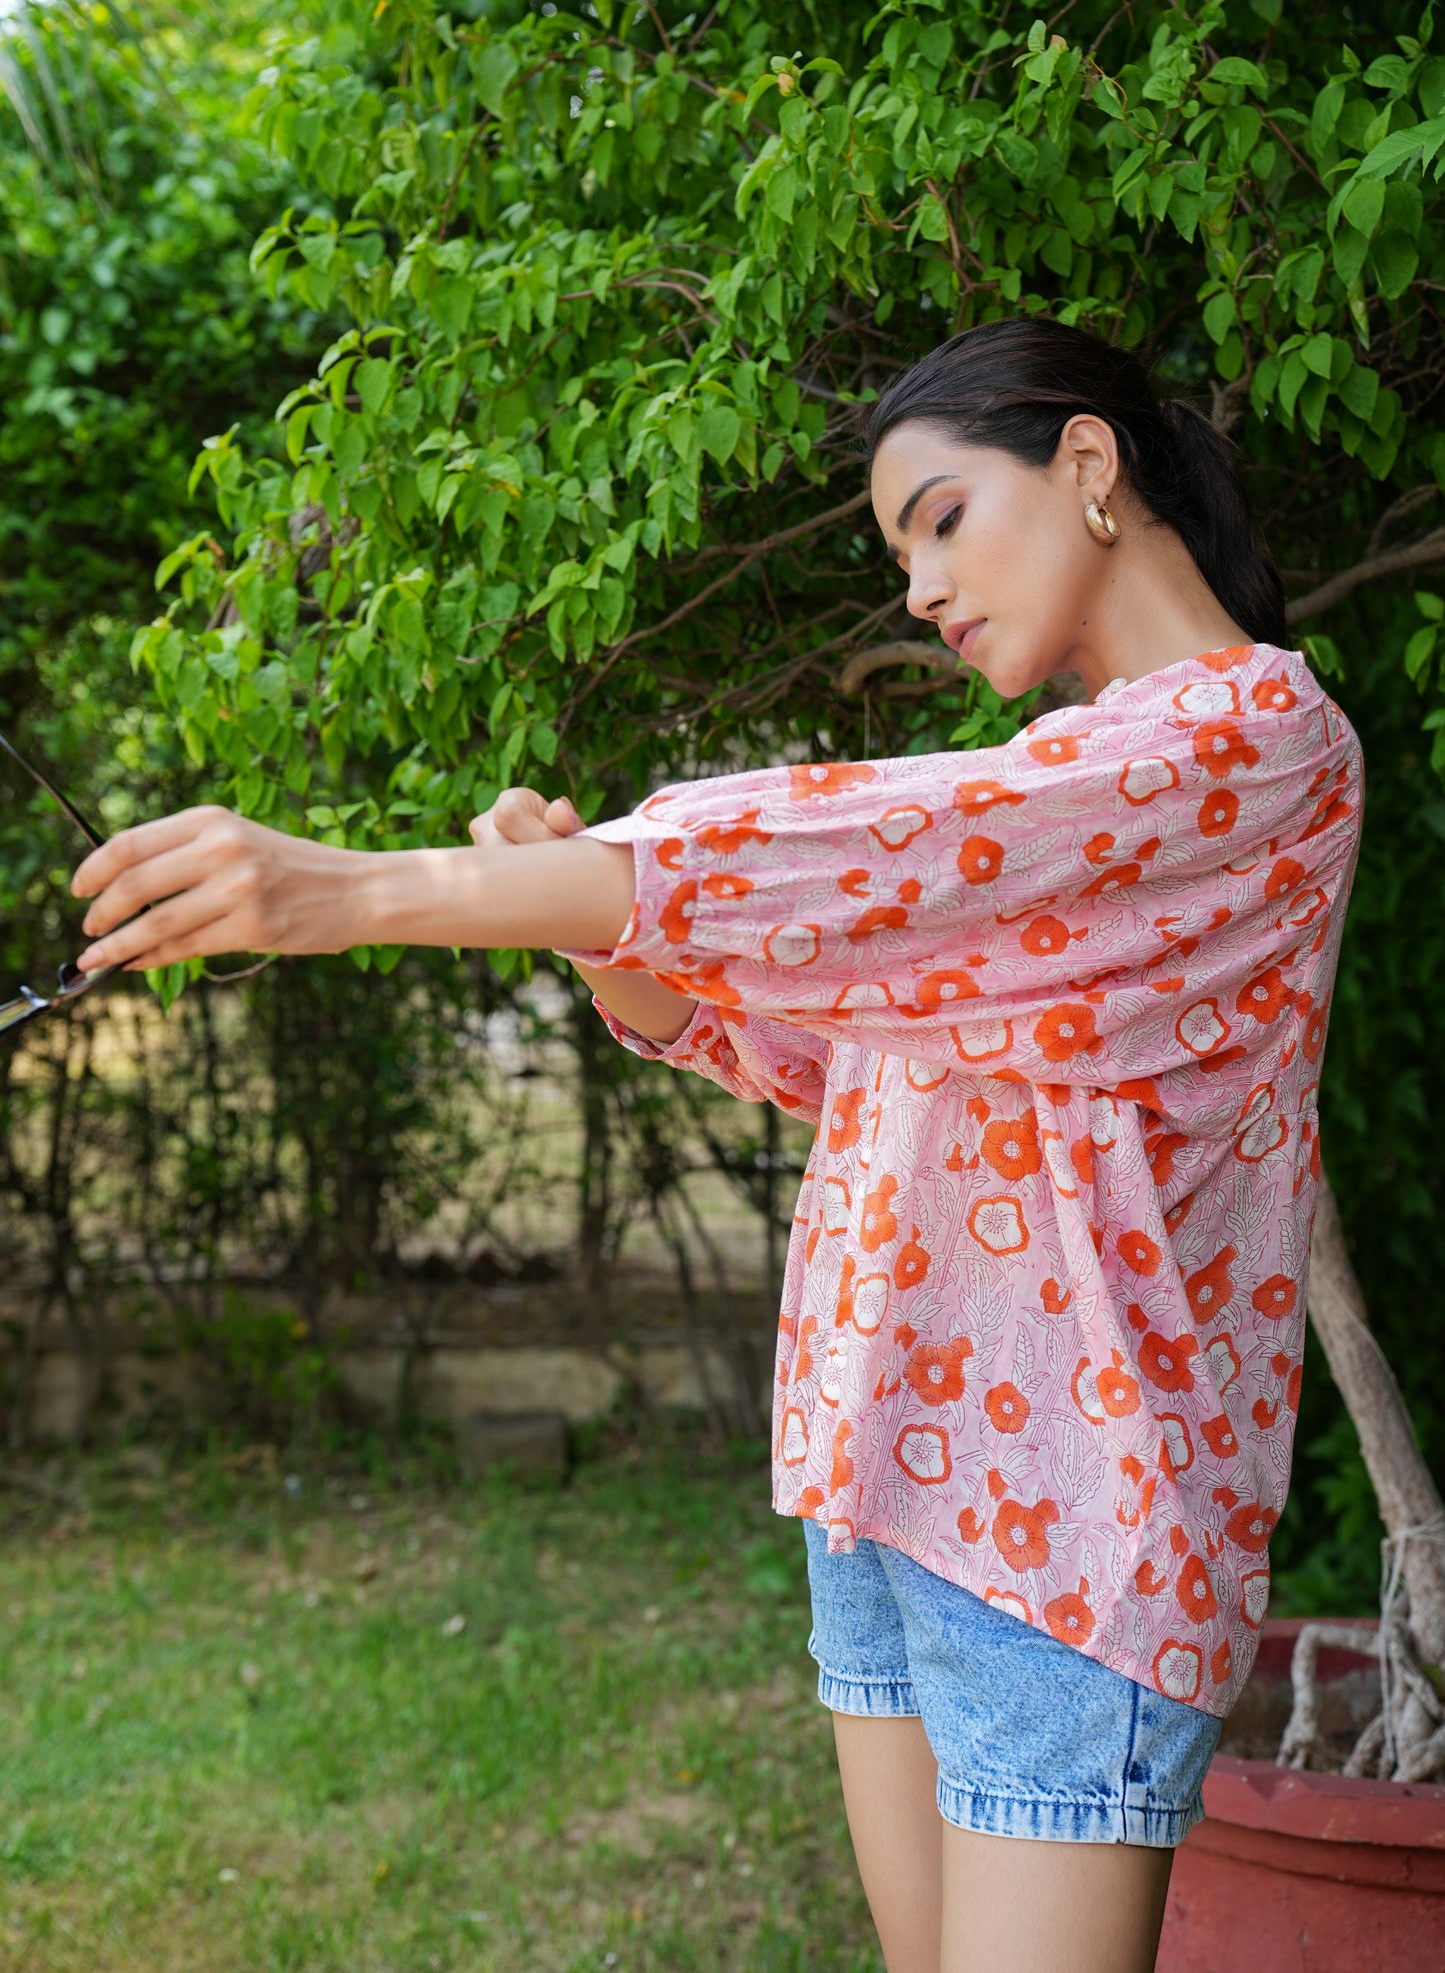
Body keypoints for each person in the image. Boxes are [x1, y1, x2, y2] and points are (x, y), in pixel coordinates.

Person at [71, 318, 1362, 1973]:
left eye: (940, 518)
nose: (916, 587)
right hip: (889, 1480)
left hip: (1077, 1535)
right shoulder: (1065, 786)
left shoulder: (1251, 752)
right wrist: (604, 937)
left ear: (1088, 467)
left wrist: (358, 889)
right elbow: (836, 1059)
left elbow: (869, 843)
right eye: (901, 551)